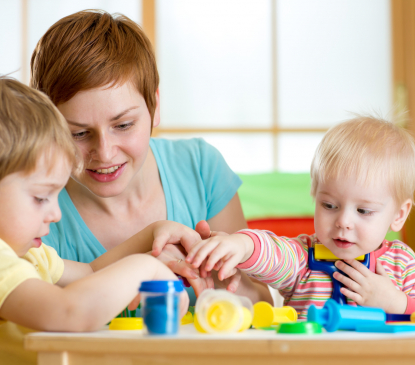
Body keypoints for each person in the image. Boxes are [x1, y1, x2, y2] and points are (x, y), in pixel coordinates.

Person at [29, 10, 271, 304]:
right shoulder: (32, 203)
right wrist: (140, 269)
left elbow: (261, 304)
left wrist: (221, 278)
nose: (104, 153)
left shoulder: (201, 168)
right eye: (78, 133)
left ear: (155, 106)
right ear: (47, 125)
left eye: (123, 125)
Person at [0, 77, 215, 365]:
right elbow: (67, 312)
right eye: (41, 197)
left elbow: (91, 271)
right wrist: (146, 268)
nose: (56, 213)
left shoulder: (29, 255)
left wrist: (152, 234)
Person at [183, 115, 415, 318]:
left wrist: (397, 304)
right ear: (315, 196)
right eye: (330, 205)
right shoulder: (302, 257)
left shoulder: (402, 264)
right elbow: (271, 251)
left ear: (398, 215)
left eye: (363, 211)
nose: (343, 221)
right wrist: (242, 244)